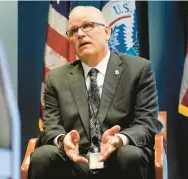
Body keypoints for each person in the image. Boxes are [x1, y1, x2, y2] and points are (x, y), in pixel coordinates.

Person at [28, 6, 163, 179]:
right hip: (75, 160)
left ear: (107, 32)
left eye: (88, 25)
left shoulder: (139, 69)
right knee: (42, 156)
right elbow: (51, 127)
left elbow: (147, 122)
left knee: (129, 155)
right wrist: (63, 140)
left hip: (119, 156)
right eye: (74, 31)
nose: (81, 34)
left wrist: (120, 139)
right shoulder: (56, 78)